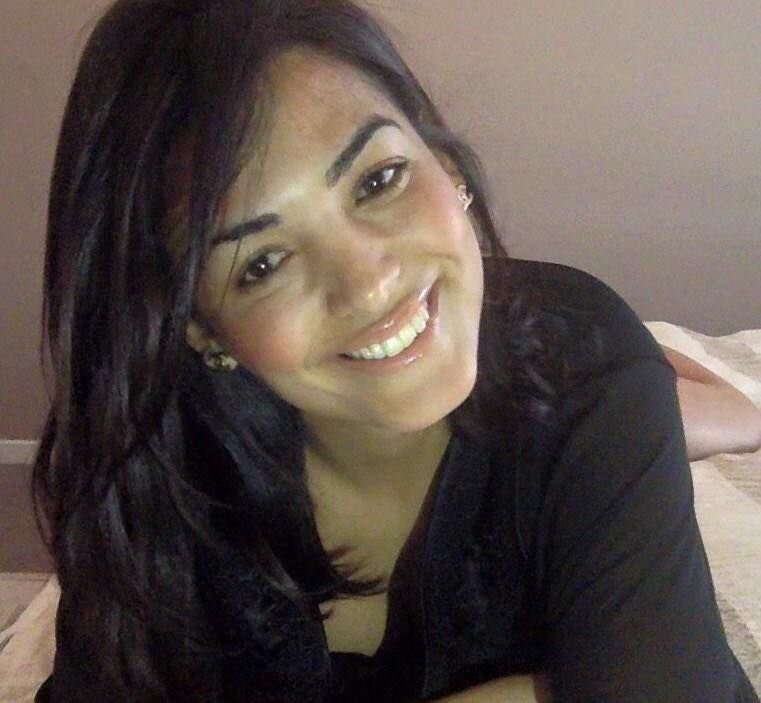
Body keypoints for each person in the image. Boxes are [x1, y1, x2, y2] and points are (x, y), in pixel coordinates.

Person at [32, 1, 760, 701]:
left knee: (616, 374)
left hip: (567, 354)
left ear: (440, 156)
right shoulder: (140, 471)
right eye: (262, 263)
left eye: (378, 180)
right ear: (200, 328)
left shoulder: (587, 362)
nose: (369, 282)